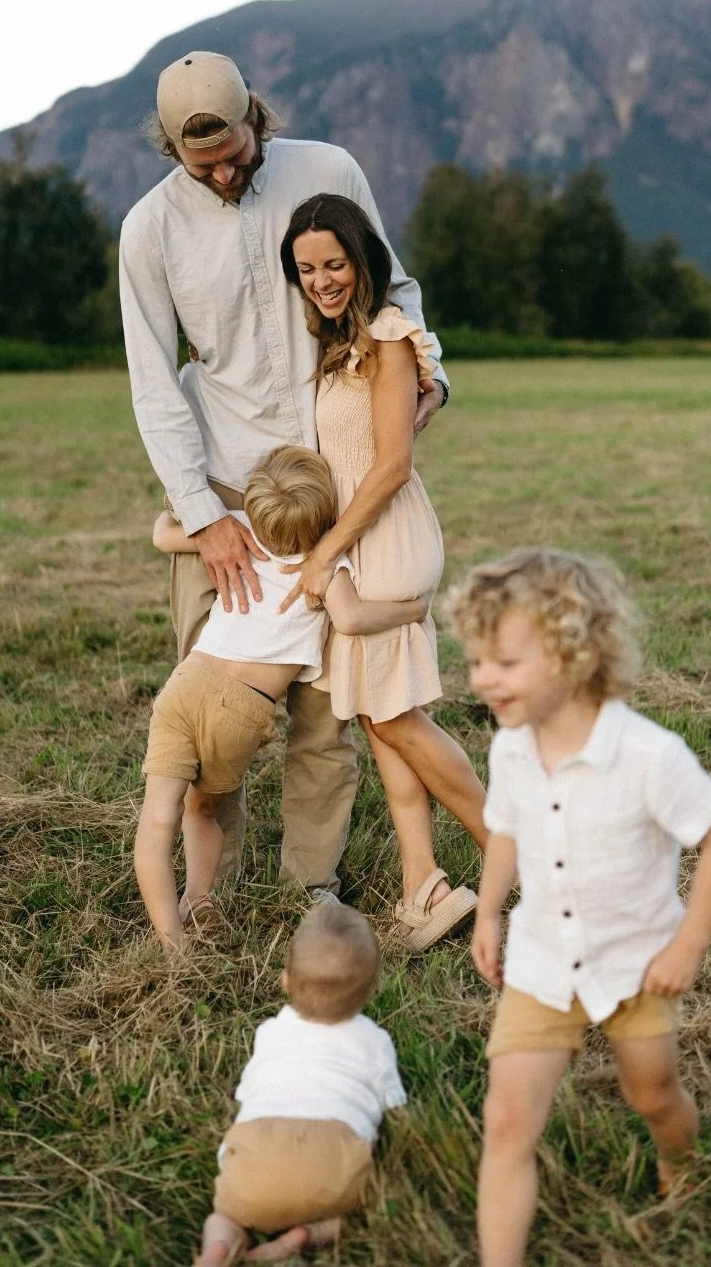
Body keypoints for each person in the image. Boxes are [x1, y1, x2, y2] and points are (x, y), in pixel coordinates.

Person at [119, 49, 449, 901]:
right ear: (171, 149)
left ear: (255, 117)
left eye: (234, 150)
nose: (225, 171)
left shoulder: (327, 170)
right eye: (204, 163)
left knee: (322, 715)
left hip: (330, 486)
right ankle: (209, 889)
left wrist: (430, 374)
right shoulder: (148, 231)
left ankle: (312, 884)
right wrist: (198, 513)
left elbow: (393, 289)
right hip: (226, 491)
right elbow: (154, 384)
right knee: (213, 705)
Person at [448, 549, 711, 1267]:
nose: (481, 678)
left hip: (636, 967)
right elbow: (506, 831)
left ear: (575, 655)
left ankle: (681, 1158)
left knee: (653, 1095)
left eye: (504, 662)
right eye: (477, 661)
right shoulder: (511, 748)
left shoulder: (648, 755)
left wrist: (687, 947)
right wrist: (488, 915)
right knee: (507, 1118)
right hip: (542, 962)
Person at [277, 193, 486, 951]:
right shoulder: (341, 345)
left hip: (385, 537)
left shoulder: (390, 338)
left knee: (398, 716)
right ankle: (423, 885)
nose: (322, 279)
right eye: (307, 269)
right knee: (379, 715)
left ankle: (512, 854)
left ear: (363, 261)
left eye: (333, 263)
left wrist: (329, 550)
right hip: (358, 537)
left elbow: (393, 464)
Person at [136, 446, 427, 948]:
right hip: (239, 708)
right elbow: (353, 619)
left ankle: (173, 934)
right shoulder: (325, 568)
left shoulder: (239, 532)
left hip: (182, 688)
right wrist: (412, 611)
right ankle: (200, 899)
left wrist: (179, 502)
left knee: (162, 815)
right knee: (203, 807)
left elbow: (162, 534)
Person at [195, 901, 406, 1266]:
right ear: (371, 990)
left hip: (255, 1160)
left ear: (285, 979)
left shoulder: (270, 1033)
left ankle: (223, 1241)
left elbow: (246, 1093)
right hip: (335, 1159)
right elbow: (394, 1106)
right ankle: (313, 1233)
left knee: (225, 1214)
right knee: (369, 1207)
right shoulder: (374, 1041)